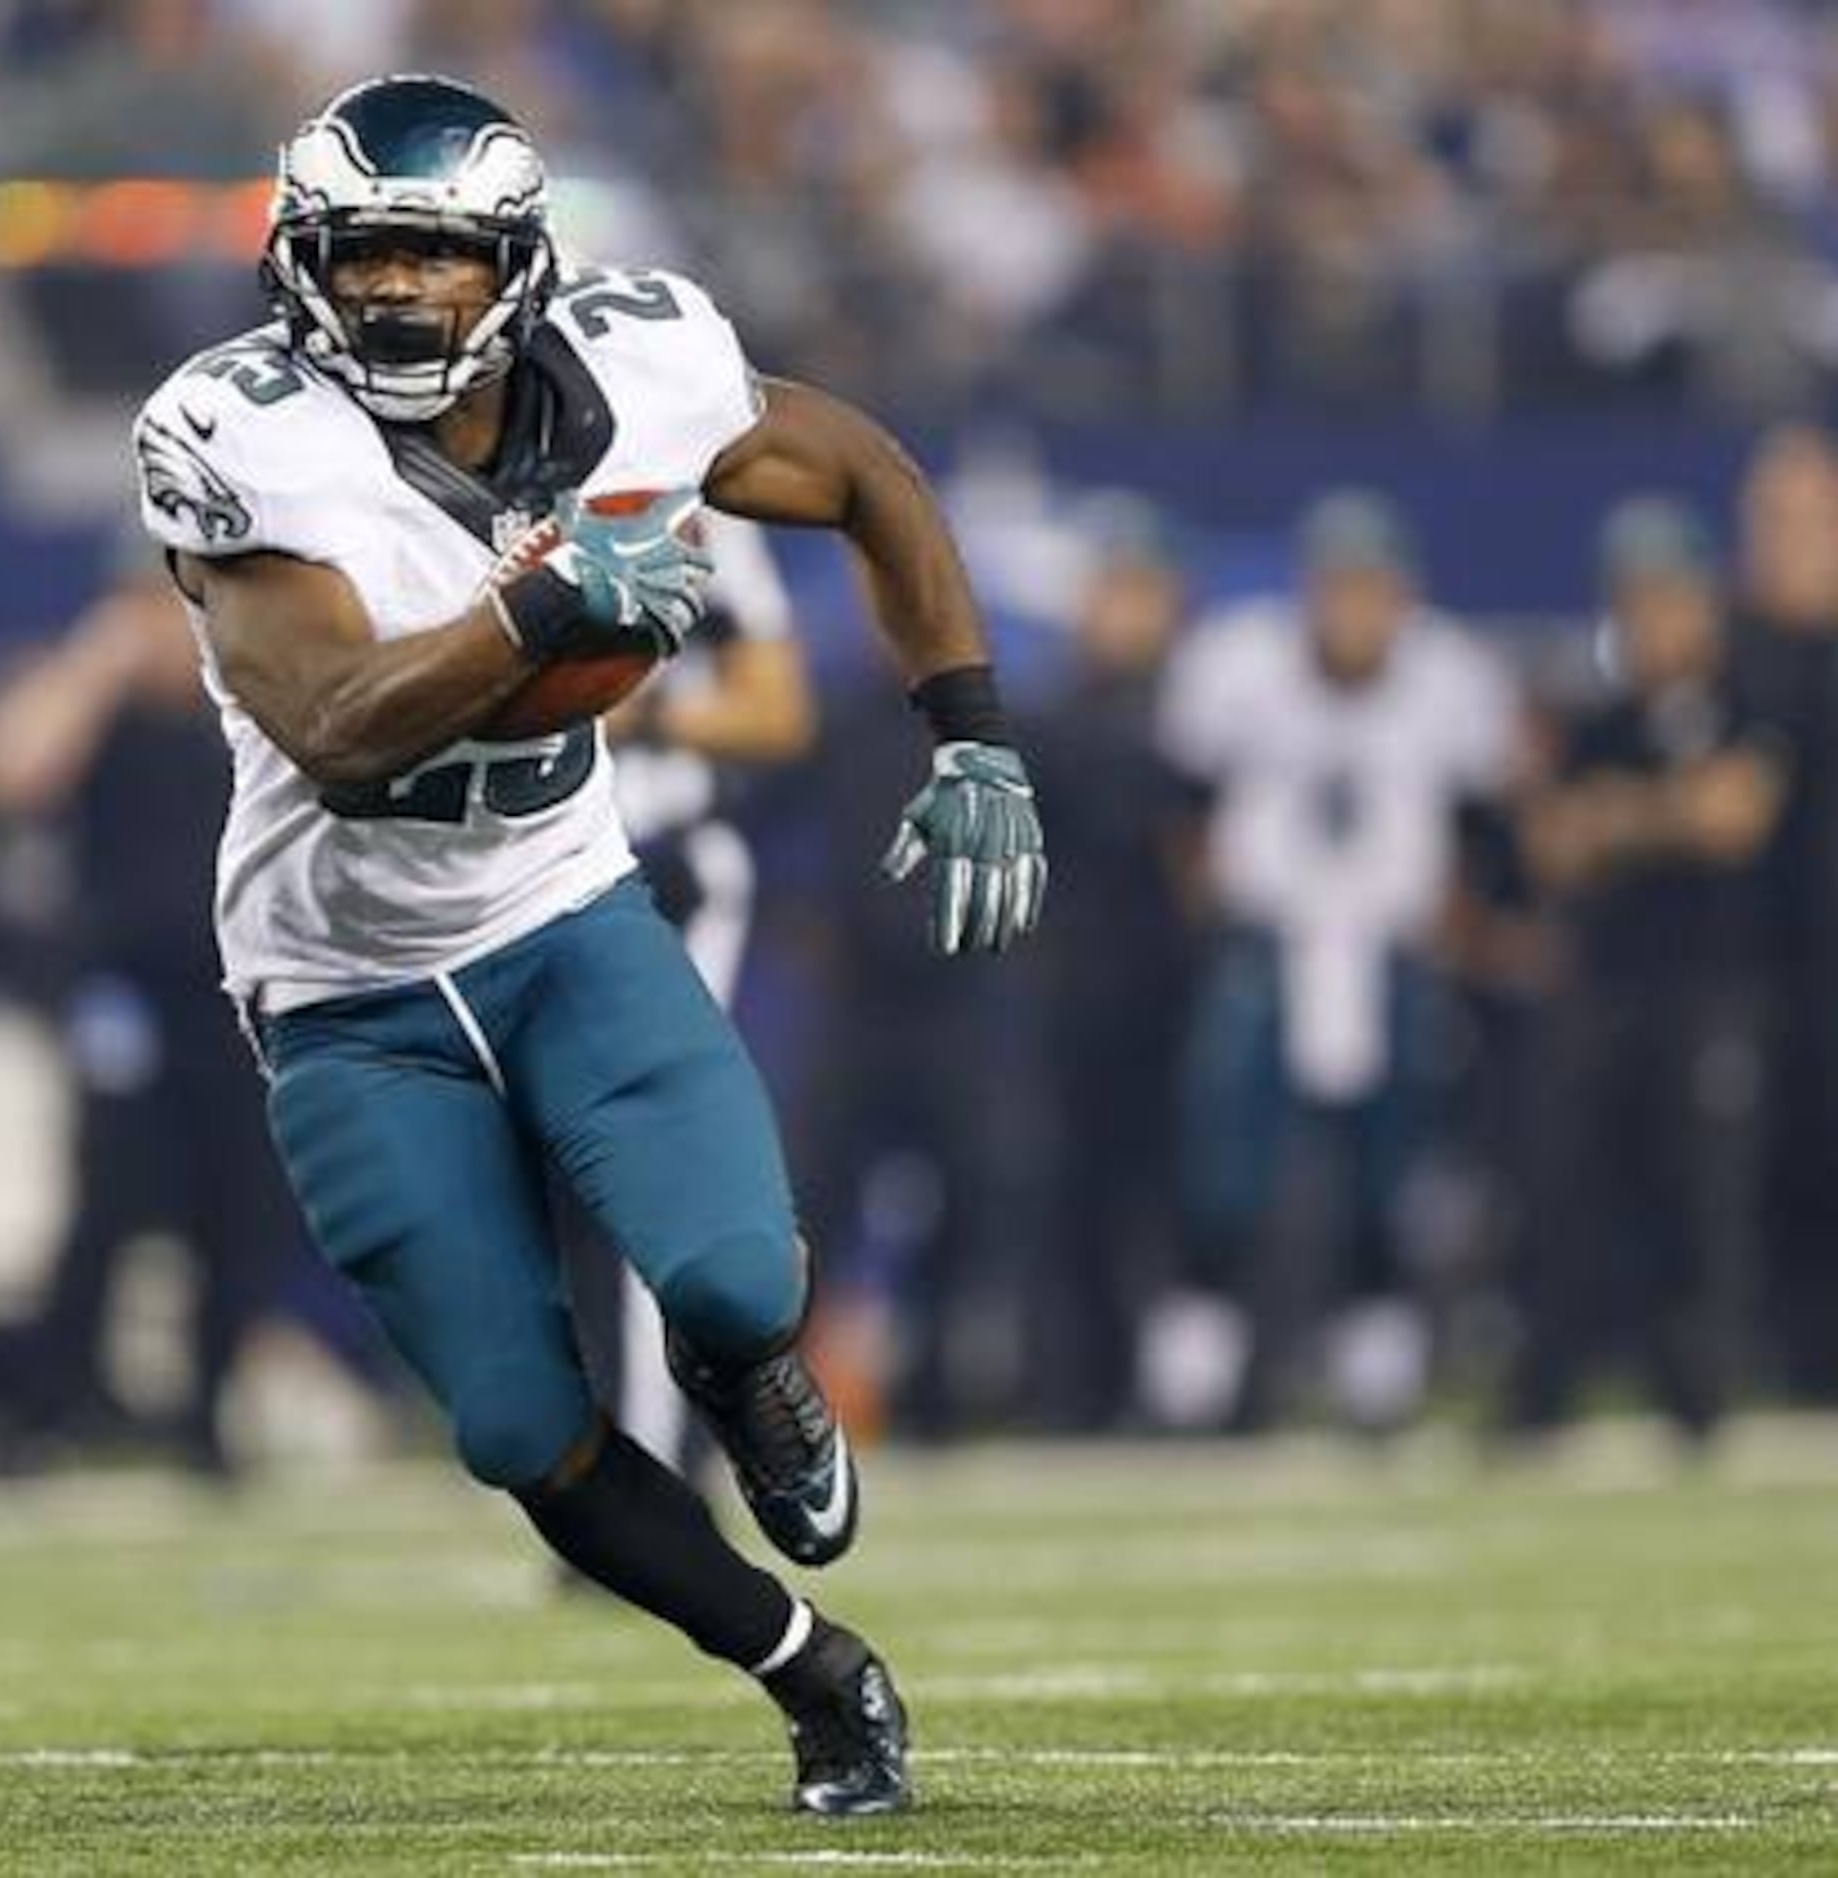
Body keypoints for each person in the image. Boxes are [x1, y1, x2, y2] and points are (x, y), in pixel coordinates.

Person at [129, 74, 1046, 1817]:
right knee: (510, 1422)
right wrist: (538, 603)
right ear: (295, 262)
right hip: (343, 992)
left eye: (434, 257)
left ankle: (751, 1373)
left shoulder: (648, 363)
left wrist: (970, 727)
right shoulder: (239, 431)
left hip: (559, 914)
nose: (395, 291)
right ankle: (812, 1669)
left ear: (519, 272)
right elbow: (333, 724)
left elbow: (862, 470)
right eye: (363, 253)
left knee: (724, 1278)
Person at [1154, 491, 1517, 1433]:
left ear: (1404, 596)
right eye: (1340, 589)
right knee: (1225, 1159)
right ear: (1311, 592)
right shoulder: (1240, 666)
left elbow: (1485, 827)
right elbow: (1185, 808)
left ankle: (1377, 1378)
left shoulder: (1451, 679)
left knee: (1388, 1166)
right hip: (1266, 946)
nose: (1356, 611)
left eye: (1374, 590)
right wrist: (1209, 903)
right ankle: (1196, 1382)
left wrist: (1460, 920)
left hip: (1392, 953)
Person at [0, 549, 295, 1480]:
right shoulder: (96, 709)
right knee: (105, 1210)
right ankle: (42, 1416)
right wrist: (98, 659)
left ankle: (207, 1420)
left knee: (235, 1215)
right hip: (127, 996)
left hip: (238, 991)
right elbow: (2, 776)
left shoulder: (242, 706)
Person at [1509, 498, 1779, 1443]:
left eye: (1668, 598)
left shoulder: (1751, 696)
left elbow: (1733, 817)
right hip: (1608, 983)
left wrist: (1620, 818)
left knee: (1698, 1191)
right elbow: (1554, 843)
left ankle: (1696, 1388)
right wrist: (1660, 815)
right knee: (1566, 1175)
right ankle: (1548, 1383)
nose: (1653, 620)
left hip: (1713, 983)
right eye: (1635, 600)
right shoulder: (1600, 718)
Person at [567, 509, 813, 1474]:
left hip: (652, 873)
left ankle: (662, 1472)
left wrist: (644, 708)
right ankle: (613, 1460)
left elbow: (780, 708)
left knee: (652, 1176)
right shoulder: (456, 488)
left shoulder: (679, 507)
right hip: (497, 886)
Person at [1017, 495, 1197, 1433]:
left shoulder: (1208, 706)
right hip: (1077, 987)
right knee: (1074, 1193)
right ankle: (1079, 1386)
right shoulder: (1054, 716)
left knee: (1180, 1196)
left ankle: (1180, 1386)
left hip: (1188, 991)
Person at [1724, 426, 1838, 1402]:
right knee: (1770, 1162)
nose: (1789, 537)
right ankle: (1785, 1363)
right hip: (1751, 961)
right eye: (1772, 517)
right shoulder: (1733, 649)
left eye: (1808, 516)